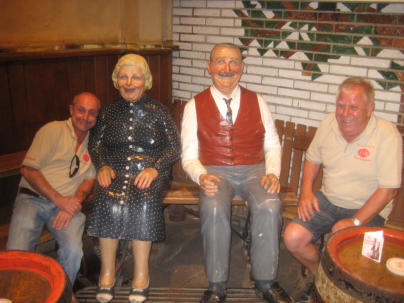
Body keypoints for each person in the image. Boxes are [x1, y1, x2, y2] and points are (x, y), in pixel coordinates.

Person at [181, 43, 292, 303]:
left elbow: (272, 143)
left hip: (255, 170)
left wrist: (273, 172)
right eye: (220, 61)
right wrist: (201, 175)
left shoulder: (258, 101)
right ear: (208, 67)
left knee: (270, 205)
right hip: (215, 171)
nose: (227, 68)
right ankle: (217, 284)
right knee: (214, 208)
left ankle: (266, 281)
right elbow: (188, 155)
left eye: (233, 62)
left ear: (242, 68)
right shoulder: (193, 106)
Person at [283, 77, 402, 302]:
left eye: (354, 107)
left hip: (370, 211)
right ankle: (324, 280)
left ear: (370, 109)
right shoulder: (328, 123)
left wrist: (355, 221)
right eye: (340, 105)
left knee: (355, 254)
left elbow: (387, 190)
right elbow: (311, 159)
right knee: (293, 237)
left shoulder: (387, 135)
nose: (345, 113)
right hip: (328, 201)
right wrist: (306, 192)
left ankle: (343, 291)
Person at [87, 54, 180, 303]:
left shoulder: (158, 111)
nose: (129, 82)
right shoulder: (108, 112)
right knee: (108, 198)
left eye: (135, 77)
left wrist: (155, 169)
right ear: (116, 81)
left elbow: (173, 148)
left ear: (145, 81)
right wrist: (103, 165)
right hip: (115, 168)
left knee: (143, 201)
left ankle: (141, 274)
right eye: (123, 76)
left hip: (150, 170)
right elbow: (95, 145)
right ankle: (107, 272)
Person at [7, 92, 101, 285]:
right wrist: (60, 200)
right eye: (81, 110)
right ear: (71, 109)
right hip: (33, 199)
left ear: (97, 116)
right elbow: (28, 170)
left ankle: (59, 292)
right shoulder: (52, 130)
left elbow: (88, 181)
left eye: (92, 113)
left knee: (74, 251)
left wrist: (74, 204)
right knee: (17, 254)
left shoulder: (94, 143)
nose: (85, 117)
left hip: (67, 206)